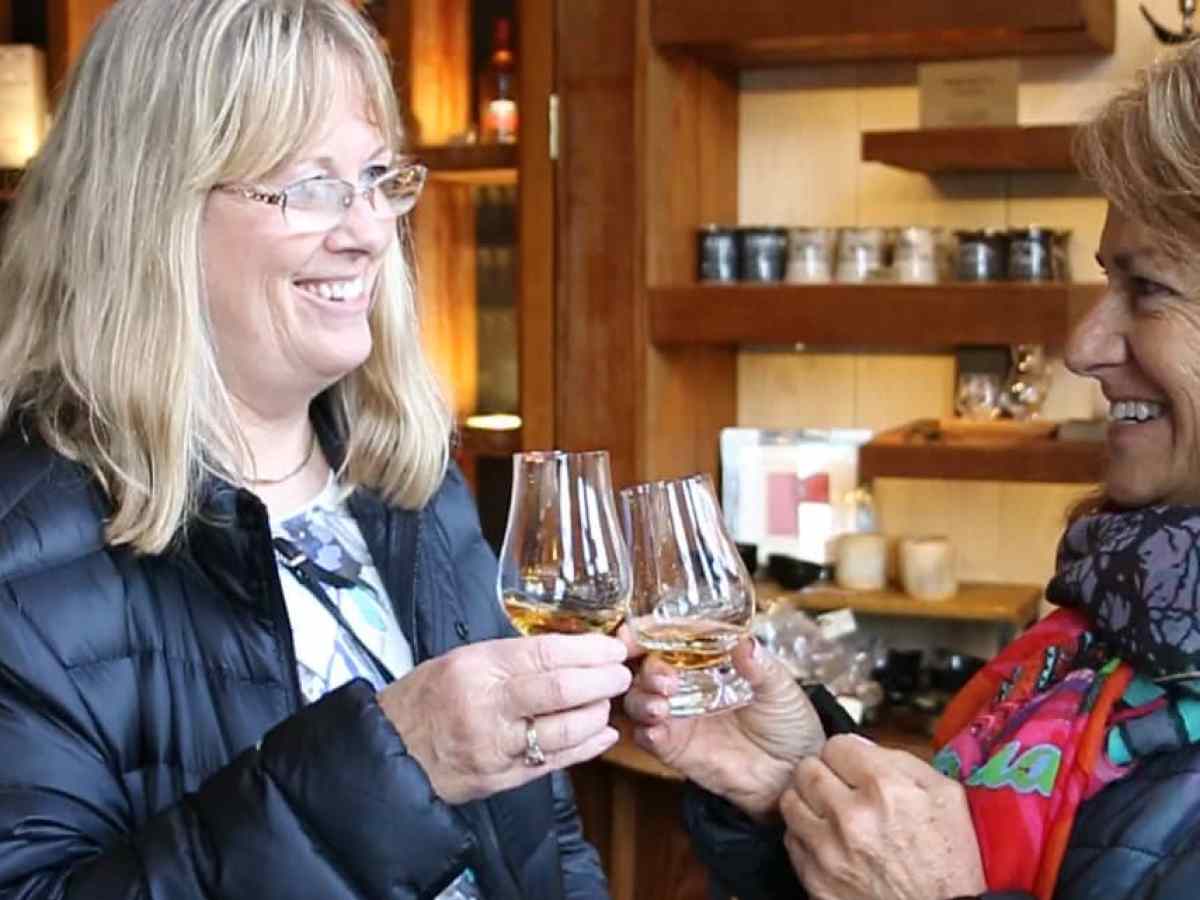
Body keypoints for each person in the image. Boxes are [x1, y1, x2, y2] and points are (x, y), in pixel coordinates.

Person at [0, 1, 630, 897]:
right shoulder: (24, 555)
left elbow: (547, 839)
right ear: (152, 208)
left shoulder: (411, 487)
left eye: (377, 178)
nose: (369, 230)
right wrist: (391, 772)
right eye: (311, 185)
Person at [625, 41, 1200, 900]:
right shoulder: (1115, 606)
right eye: (1102, 281)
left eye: (1147, 288)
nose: (1082, 346)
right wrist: (803, 795)